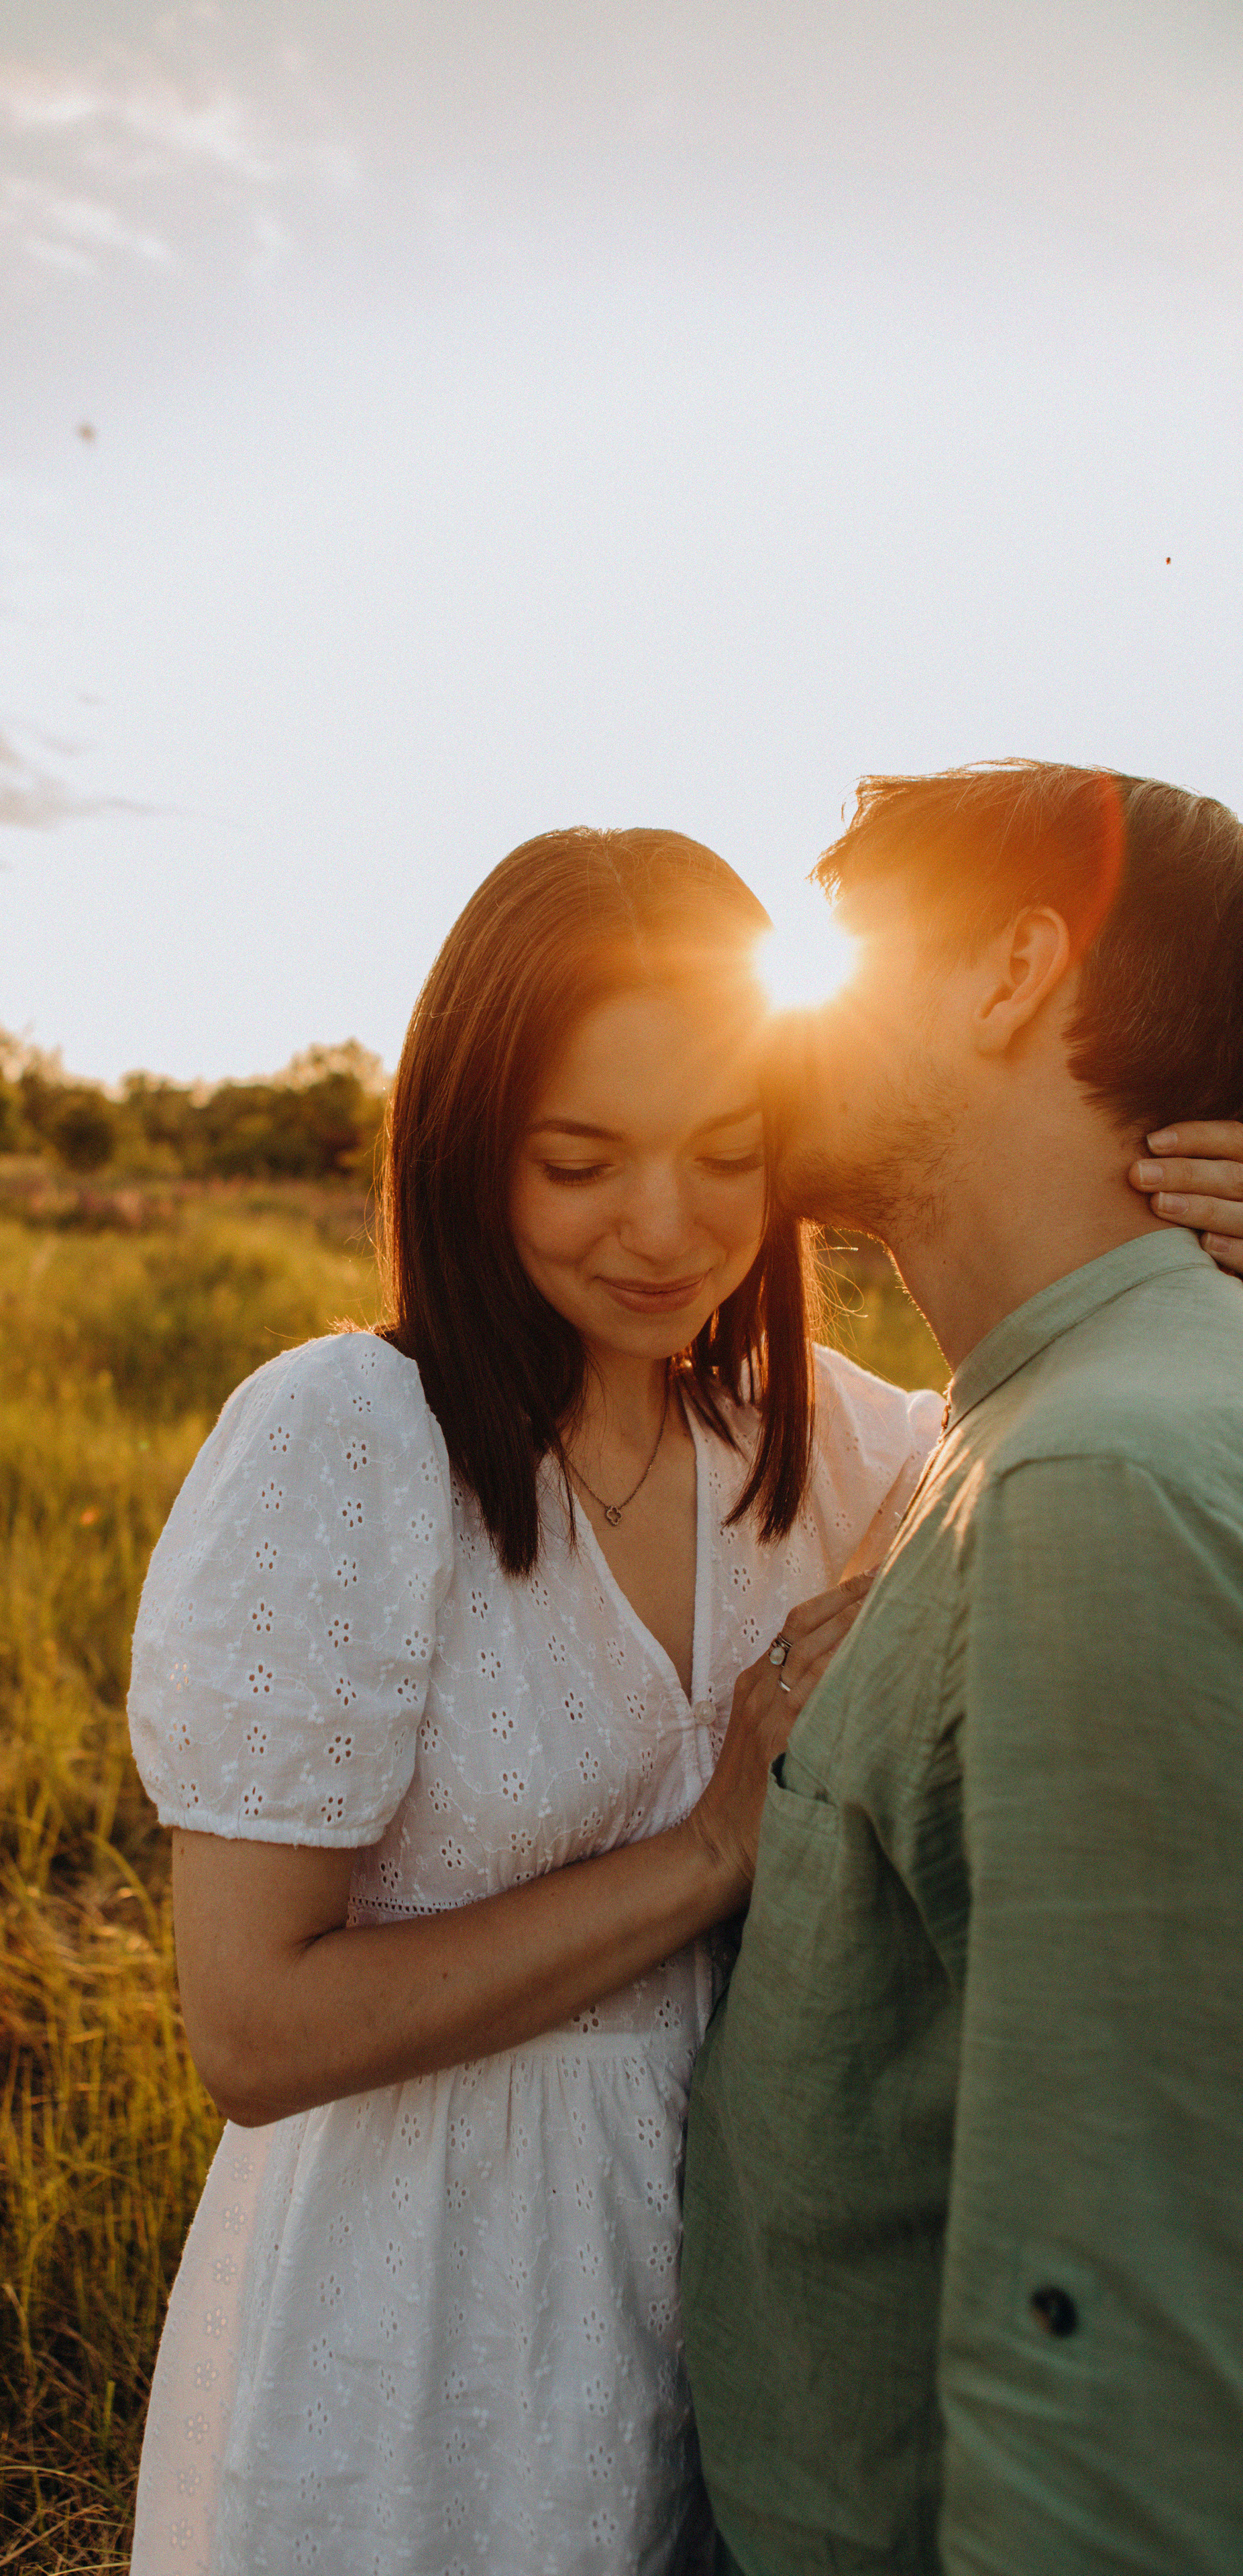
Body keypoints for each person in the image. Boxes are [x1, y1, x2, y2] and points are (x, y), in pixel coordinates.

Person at [122, 817, 1243, 2576]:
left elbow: (1094, 1370)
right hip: (420, 2315)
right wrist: (713, 1849)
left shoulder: (849, 1447)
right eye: (580, 1161)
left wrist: (1213, 1260)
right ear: (470, 1148)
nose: (665, 1232)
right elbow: (251, 2031)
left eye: (727, 1156)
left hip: (710, 2318)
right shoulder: (349, 1446)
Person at [682, 762, 1243, 2575]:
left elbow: (1119, 2325)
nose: (772, 1009)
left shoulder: (1096, 1474)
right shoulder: (1014, 1423)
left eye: (838, 940)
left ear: (1012, 975)